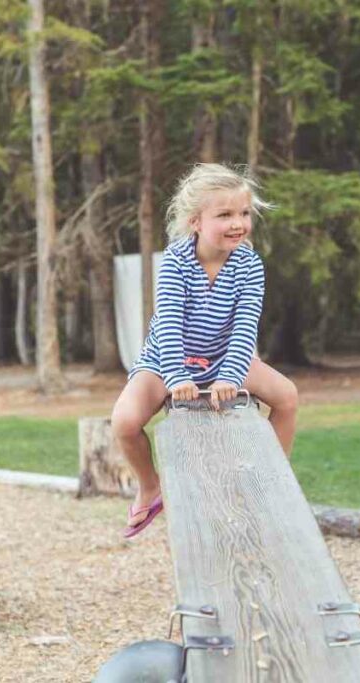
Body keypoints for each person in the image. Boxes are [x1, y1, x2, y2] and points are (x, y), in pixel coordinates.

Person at [111, 163, 299, 538]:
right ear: (196, 221)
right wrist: (177, 375)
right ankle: (150, 486)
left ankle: (269, 482)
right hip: (168, 357)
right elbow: (167, 323)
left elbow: (246, 326)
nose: (238, 223)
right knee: (125, 422)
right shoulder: (176, 262)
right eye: (225, 215)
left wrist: (229, 375)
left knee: (287, 397)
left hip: (224, 356)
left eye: (244, 214)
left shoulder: (249, 264)